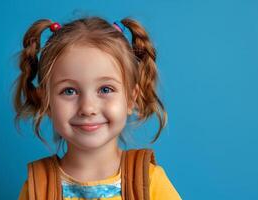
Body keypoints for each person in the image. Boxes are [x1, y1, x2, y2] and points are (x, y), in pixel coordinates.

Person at [13, 16, 181, 199]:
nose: (88, 108)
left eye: (105, 89)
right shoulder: (37, 187)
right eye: (69, 91)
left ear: (131, 99)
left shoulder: (149, 182)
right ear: (46, 101)